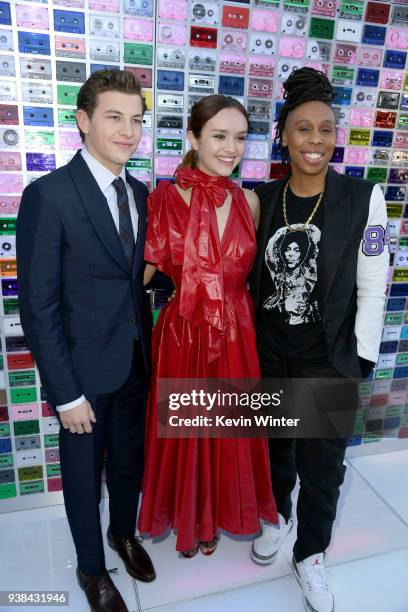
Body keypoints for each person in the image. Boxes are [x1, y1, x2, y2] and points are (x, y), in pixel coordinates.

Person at [249, 68, 389, 612]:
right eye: (303, 129)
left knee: (323, 467)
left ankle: (311, 554)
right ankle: (279, 519)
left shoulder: (361, 198)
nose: (315, 141)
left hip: (330, 358)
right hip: (269, 353)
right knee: (274, 452)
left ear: (336, 135)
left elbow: (374, 285)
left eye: (326, 130)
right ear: (283, 135)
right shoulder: (261, 198)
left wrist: (359, 360)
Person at [16, 70, 156, 612]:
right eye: (115, 117)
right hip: (80, 375)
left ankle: (123, 534)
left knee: (127, 466)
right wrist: (66, 393)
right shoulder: (47, 195)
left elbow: (135, 276)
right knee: (81, 478)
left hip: (134, 361)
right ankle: (91, 569)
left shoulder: (140, 192)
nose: (128, 131)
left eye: (136, 120)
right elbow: (39, 305)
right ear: (83, 121)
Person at [139, 94, 278, 556]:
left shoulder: (251, 202)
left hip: (237, 333)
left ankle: (216, 517)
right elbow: (140, 276)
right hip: (183, 332)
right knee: (187, 433)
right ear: (194, 137)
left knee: (226, 434)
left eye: (240, 138)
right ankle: (189, 520)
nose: (231, 148)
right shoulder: (161, 198)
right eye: (219, 136)